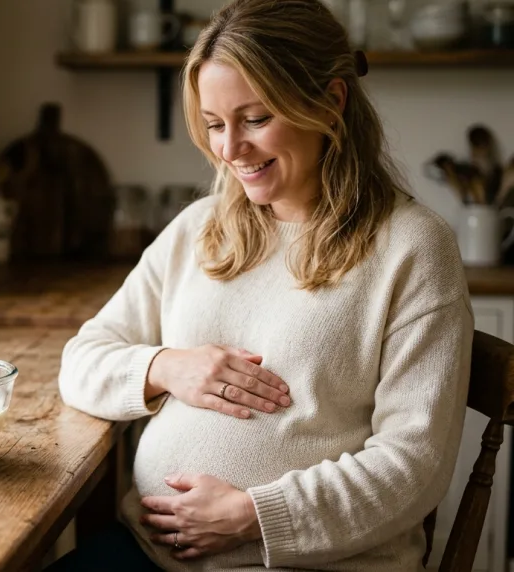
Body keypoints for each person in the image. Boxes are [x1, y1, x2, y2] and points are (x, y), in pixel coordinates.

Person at [50, 0, 473, 570]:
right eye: (214, 124)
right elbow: (81, 361)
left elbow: (413, 464)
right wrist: (164, 367)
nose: (229, 150)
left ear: (330, 102)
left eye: (254, 119)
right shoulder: (199, 228)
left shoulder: (413, 247)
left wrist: (254, 513)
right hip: (147, 554)